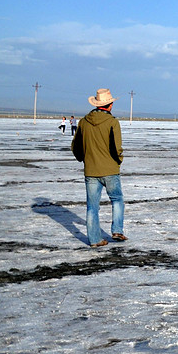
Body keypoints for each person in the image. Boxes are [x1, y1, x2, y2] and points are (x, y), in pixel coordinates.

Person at [71, 88, 125, 248]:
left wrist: (84, 159)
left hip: (91, 170)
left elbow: (75, 146)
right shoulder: (112, 122)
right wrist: (118, 160)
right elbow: (117, 147)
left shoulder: (84, 121)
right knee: (117, 199)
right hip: (110, 170)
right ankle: (117, 231)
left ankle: (94, 239)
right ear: (110, 104)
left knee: (92, 207)